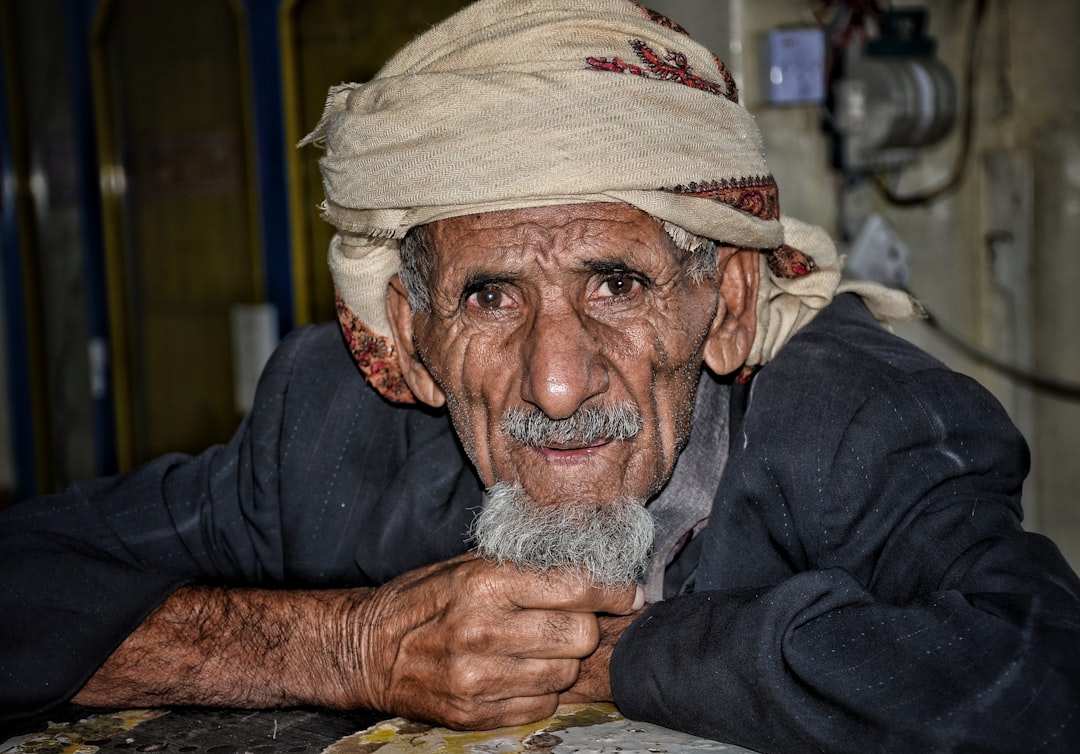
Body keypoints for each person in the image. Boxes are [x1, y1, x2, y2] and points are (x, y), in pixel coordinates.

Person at [2, 1, 1078, 751]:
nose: (557, 385)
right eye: (489, 297)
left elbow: (1042, 674)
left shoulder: (855, 418)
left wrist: (621, 655)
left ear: (726, 304)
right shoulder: (328, 426)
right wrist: (346, 646)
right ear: (410, 335)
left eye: (616, 283)